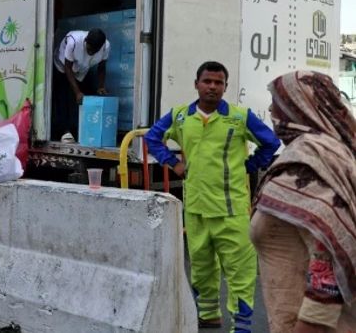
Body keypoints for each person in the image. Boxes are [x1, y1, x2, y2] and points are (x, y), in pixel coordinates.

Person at [145, 61, 280, 330]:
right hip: (196, 209)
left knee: (239, 271)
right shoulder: (180, 116)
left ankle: (241, 326)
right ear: (196, 84)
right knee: (201, 267)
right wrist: (173, 163)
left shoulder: (240, 117)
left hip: (230, 210)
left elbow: (271, 143)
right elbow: (152, 137)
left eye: (218, 83)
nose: (212, 87)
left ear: (225, 87)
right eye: (207, 81)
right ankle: (208, 316)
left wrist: (249, 165)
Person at [250, 71, 356, 332]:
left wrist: (309, 326)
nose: (271, 110)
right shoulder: (335, 150)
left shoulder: (309, 161)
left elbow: (329, 253)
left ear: (296, 105)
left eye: (276, 102)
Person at [52, 28, 110, 142]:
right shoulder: (73, 42)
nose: (91, 52)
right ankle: (63, 131)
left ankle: (75, 130)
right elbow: (68, 68)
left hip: (81, 68)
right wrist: (77, 92)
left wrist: (101, 86)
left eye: (95, 51)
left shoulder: (105, 47)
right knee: (63, 96)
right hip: (63, 66)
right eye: (89, 49)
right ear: (86, 41)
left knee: (77, 99)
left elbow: (101, 67)